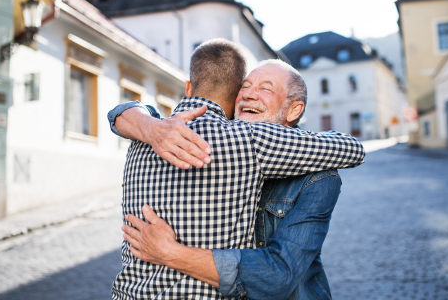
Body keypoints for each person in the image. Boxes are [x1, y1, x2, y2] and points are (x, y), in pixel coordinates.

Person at [108, 39, 364, 299]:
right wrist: (149, 128)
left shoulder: (318, 177)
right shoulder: (192, 133)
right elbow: (123, 112)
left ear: (294, 109)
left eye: (266, 88)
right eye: (244, 86)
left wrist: (171, 253)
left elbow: (279, 275)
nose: (249, 94)